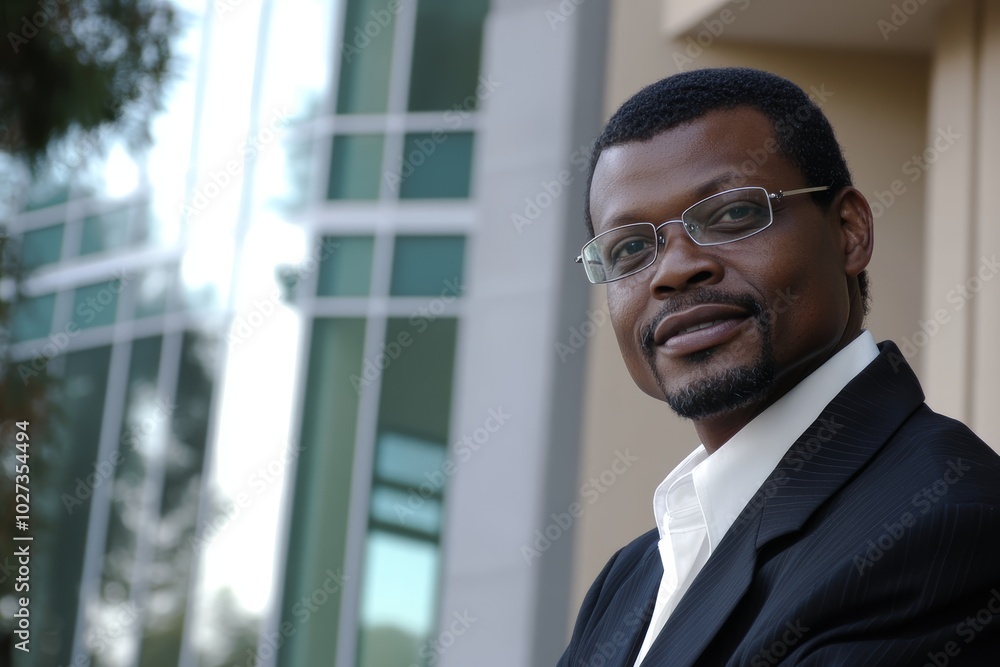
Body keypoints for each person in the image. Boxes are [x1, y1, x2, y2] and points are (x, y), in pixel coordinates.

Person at [559, 67, 1000, 667]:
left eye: (731, 215)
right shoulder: (630, 577)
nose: (673, 270)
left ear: (849, 232)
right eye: (630, 249)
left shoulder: (942, 522)